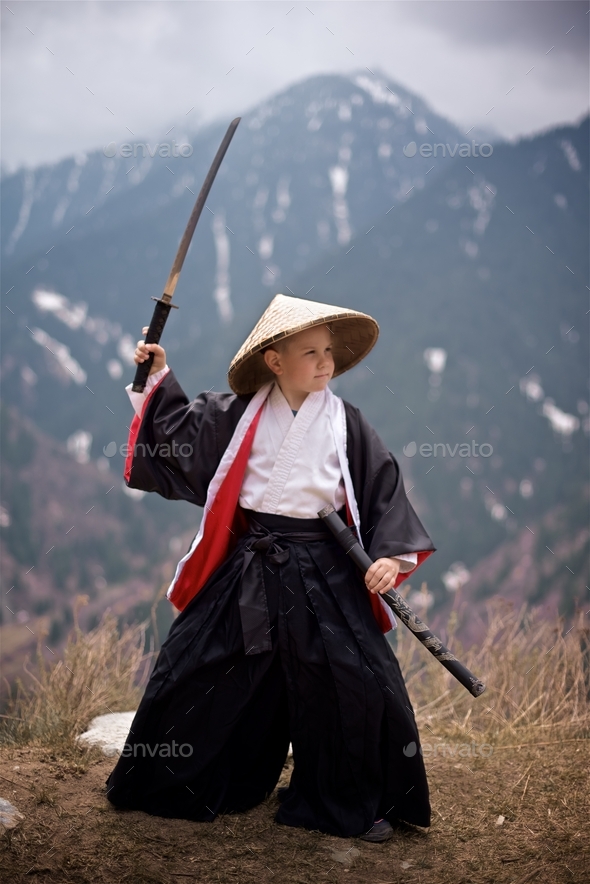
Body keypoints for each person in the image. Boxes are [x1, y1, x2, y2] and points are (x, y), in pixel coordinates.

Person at [105, 293, 436, 843]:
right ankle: (182, 780)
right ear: (275, 361)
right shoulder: (237, 414)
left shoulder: (347, 424)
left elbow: (384, 493)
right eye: (310, 353)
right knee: (199, 665)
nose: (326, 364)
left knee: (351, 679)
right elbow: (176, 435)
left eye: (328, 352)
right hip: (251, 564)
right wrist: (157, 375)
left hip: (327, 569)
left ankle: (343, 801)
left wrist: (388, 557)